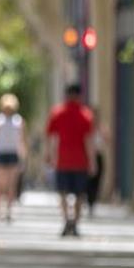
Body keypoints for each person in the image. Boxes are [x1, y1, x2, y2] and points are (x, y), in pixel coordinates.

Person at [45, 84, 96, 237]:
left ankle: (67, 220)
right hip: (80, 161)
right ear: (80, 96)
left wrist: (49, 155)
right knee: (80, 194)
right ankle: (75, 224)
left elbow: (52, 137)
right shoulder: (86, 114)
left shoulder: (57, 112)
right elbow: (89, 140)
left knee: (62, 193)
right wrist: (92, 161)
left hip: (63, 160)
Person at [0, 93, 27, 222]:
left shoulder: (19, 121)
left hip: (13, 154)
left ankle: (9, 211)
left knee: (12, 184)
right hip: (0, 154)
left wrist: (23, 156)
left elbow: (21, 140)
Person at [87, 109, 110, 218]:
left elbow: (107, 140)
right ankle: (88, 201)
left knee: (97, 181)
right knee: (88, 182)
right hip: (87, 157)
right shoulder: (87, 127)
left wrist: (102, 131)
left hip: (99, 156)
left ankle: (92, 203)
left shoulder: (101, 128)